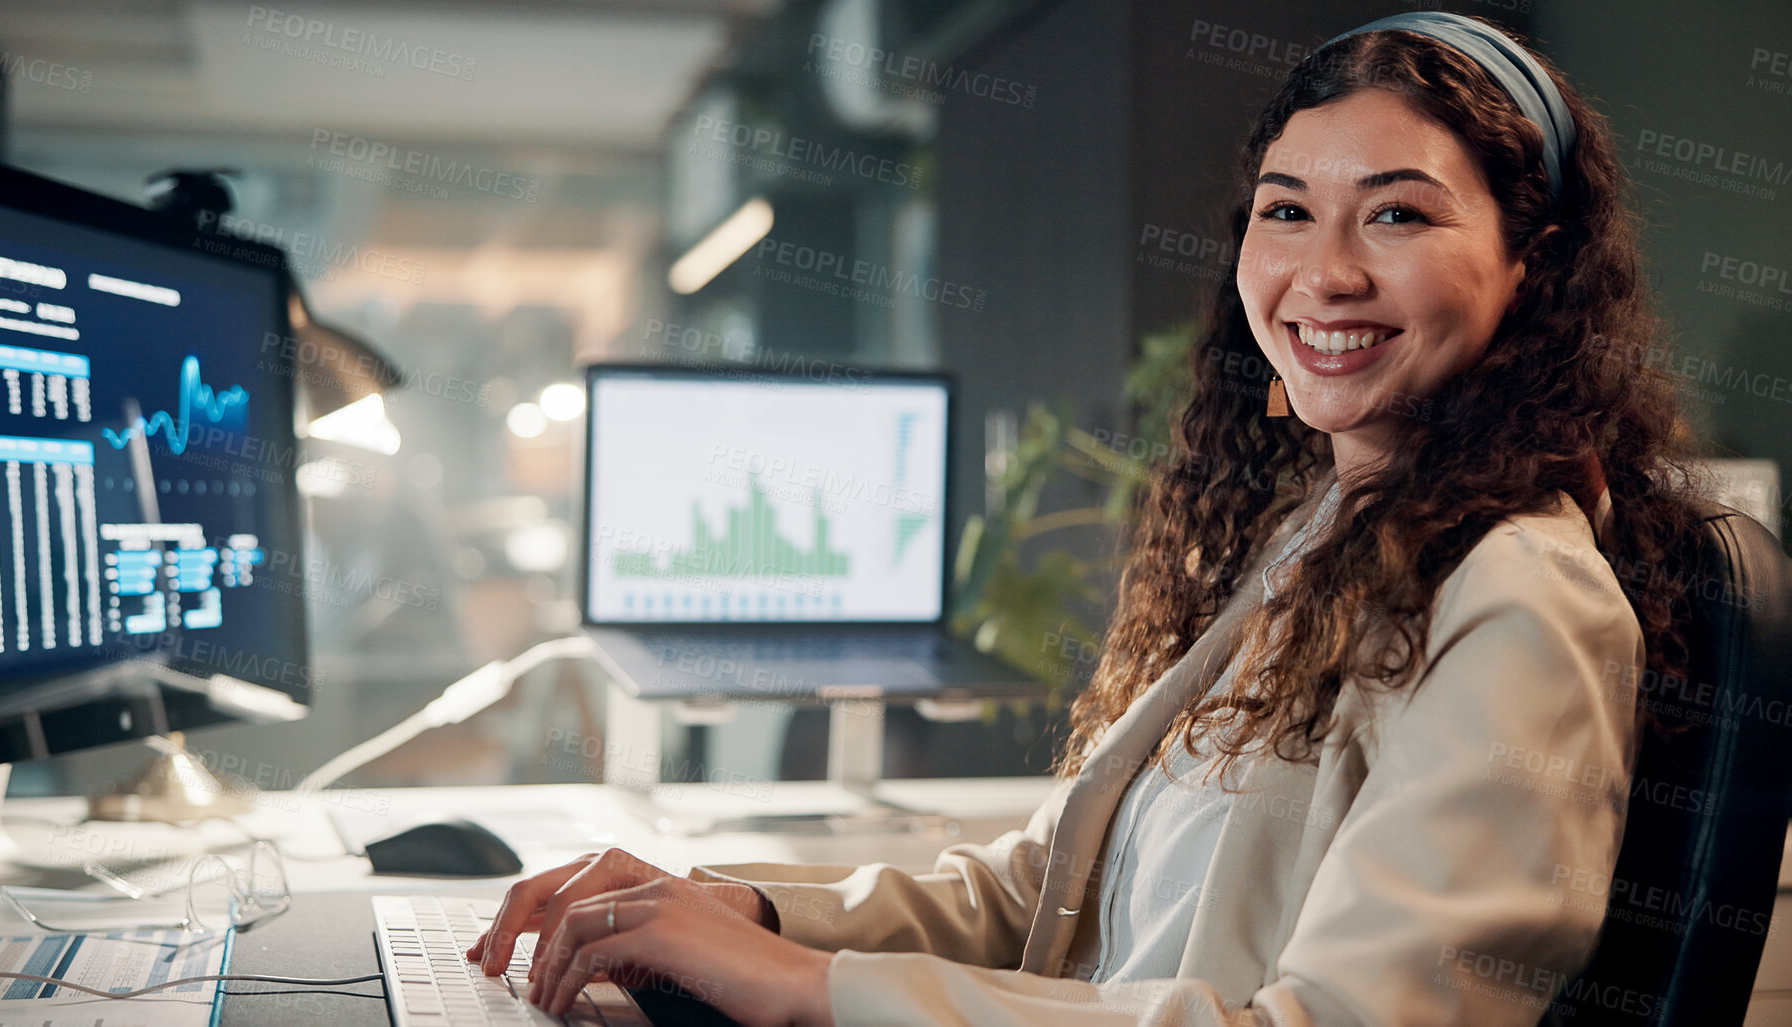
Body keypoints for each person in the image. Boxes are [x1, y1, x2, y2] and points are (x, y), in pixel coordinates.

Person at [466, 12, 1704, 1024]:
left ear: (1532, 263)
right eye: (1286, 209)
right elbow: (1045, 888)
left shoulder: (1520, 598)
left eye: (1398, 212)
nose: (1323, 271)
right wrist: (750, 915)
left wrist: (814, 993)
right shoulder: (1312, 542)